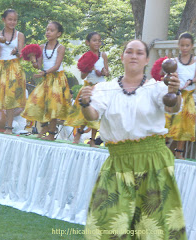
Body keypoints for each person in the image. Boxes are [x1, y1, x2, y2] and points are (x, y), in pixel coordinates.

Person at [80, 40, 186, 239]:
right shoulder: (104, 88)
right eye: (129, 52)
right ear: (122, 57)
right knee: (109, 221)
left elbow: (172, 107)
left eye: (139, 53)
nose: (134, 56)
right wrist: (84, 103)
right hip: (118, 162)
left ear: (146, 59)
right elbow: (92, 115)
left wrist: (175, 91)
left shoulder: (157, 88)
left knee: (152, 226)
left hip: (153, 160)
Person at [21, 21, 71, 141]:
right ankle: (44, 127)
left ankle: (51, 134)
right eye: (47, 29)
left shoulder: (60, 48)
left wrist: (44, 72)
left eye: (51, 30)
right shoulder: (42, 47)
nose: (48, 32)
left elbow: (57, 65)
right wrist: (33, 60)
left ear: (58, 34)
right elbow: (38, 65)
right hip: (46, 78)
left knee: (52, 107)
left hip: (57, 79)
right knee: (36, 102)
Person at [65, 32, 109, 145]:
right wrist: (89, 69)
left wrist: (105, 72)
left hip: (99, 87)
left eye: (99, 40)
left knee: (97, 112)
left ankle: (93, 140)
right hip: (88, 87)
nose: (97, 43)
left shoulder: (103, 55)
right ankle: (78, 136)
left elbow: (107, 72)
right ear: (87, 42)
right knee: (84, 113)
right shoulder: (86, 56)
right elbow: (82, 76)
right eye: (94, 40)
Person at [0, 9, 26, 134]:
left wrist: (17, 52)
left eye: (15, 20)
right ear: (3, 20)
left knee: (11, 97)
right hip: (0, 67)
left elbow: (21, 54)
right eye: (10, 19)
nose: (12, 22)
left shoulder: (19, 35)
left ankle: (8, 127)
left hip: (14, 68)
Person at [165, 32, 196, 159]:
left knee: (185, 124)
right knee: (170, 122)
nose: (184, 48)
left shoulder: (195, 61)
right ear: (178, 45)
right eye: (182, 45)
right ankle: (164, 149)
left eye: (187, 45)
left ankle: (179, 151)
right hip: (175, 96)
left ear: (192, 46)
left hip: (189, 96)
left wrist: (190, 81)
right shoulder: (174, 62)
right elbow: (167, 77)